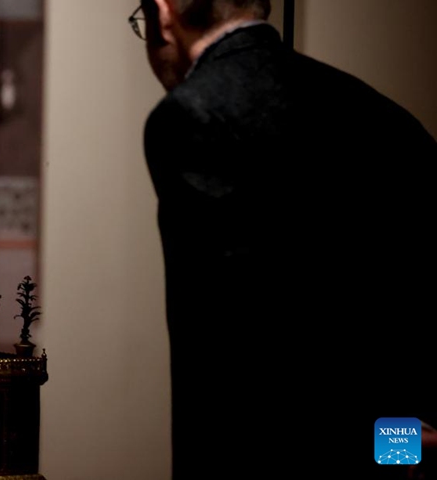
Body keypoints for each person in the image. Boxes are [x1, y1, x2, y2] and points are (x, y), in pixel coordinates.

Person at [132, 0, 437, 478]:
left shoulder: (192, 117)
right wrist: (393, 449)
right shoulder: (388, 118)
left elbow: (229, 358)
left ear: (163, 14)